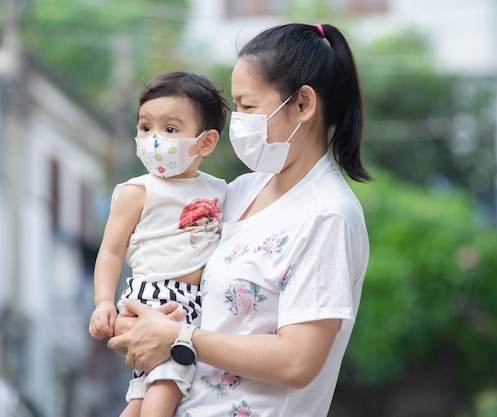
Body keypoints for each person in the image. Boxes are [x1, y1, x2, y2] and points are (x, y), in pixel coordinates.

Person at [109, 23, 371, 417]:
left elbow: (297, 362)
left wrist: (179, 336)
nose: (239, 120)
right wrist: (145, 319)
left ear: (303, 104)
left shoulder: (327, 214)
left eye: (249, 107)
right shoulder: (242, 191)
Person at [88, 70, 230, 417]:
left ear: (206, 142)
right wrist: (104, 302)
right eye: (145, 127)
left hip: (194, 303)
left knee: (140, 397)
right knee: (166, 387)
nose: (153, 139)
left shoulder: (221, 191)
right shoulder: (138, 191)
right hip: (156, 297)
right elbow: (110, 250)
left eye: (170, 129)